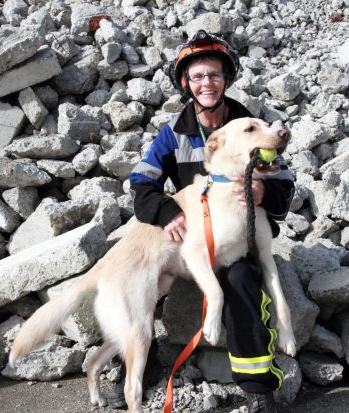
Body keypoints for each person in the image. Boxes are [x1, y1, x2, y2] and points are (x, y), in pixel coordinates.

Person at [128, 30, 295, 413]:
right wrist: (167, 212)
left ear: (226, 80)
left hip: (240, 239)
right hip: (196, 241)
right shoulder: (173, 135)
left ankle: (257, 388)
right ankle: (143, 360)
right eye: (198, 76)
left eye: (214, 75)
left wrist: (261, 195)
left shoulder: (248, 125)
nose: (207, 83)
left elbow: (285, 185)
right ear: (186, 83)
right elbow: (140, 183)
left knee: (242, 281)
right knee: (143, 273)